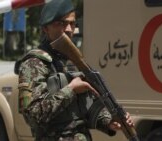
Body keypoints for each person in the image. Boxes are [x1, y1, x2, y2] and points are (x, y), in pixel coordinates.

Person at [14, 0, 134, 140]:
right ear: (45, 28)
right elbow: (32, 116)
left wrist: (109, 122)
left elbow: (86, 108)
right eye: (61, 23)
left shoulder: (73, 60)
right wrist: (70, 90)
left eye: (72, 23)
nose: (69, 29)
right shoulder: (35, 62)